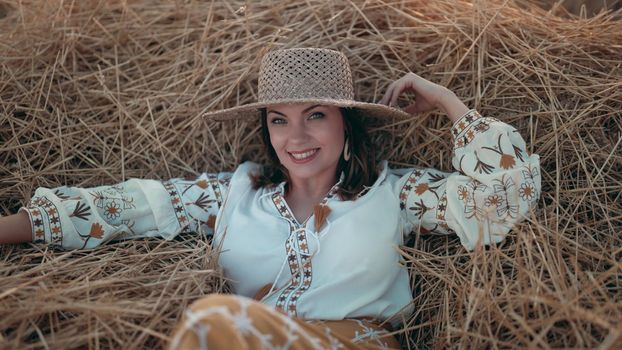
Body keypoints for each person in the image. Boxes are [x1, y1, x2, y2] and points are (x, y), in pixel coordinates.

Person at [0, 48, 541, 349]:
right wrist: (15, 228)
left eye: (316, 116)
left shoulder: (396, 193)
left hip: (356, 345)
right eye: (279, 120)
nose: (296, 137)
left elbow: (504, 201)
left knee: (211, 321)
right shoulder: (236, 194)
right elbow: (129, 207)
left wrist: (451, 106)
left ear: (347, 125)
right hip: (255, 343)